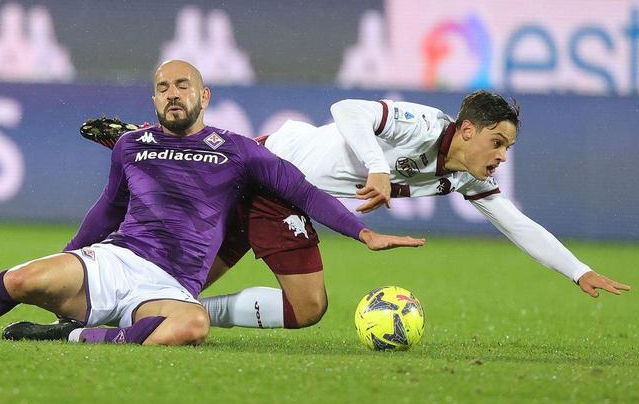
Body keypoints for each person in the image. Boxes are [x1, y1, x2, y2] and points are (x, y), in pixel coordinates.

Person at [68, 90, 631, 334]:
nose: (503, 156)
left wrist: (578, 270)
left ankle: (99, 318)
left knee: (174, 288)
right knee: (308, 306)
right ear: (466, 131)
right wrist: (378, 167)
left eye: (508, 147)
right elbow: (348, 109)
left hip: (271, 181)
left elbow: (516, 223)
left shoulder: (465, 176)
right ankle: (157, 143)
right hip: (275, 177)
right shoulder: (424, 125)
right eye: (498, 142)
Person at [0, 60, 425, 345]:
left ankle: (74, 335)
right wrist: (71, 259)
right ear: (154, 101)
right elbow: (106, 212)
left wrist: (363, 233)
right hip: (115, 260)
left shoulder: (238, 151)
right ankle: (93, 321)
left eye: (182, 86)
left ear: (204, 97)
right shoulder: (131, 145)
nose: (172, 94)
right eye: (163, 88)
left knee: (193, 325)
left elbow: (303, 192)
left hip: (171, 285)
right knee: (21, 279)